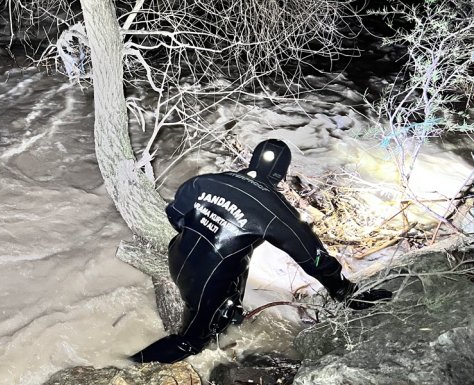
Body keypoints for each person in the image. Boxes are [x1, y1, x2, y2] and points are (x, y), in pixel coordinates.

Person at [130, 139, 392, 364]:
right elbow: (314, 258)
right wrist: (344, 292)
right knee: (190, 342)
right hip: (208, 283)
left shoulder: (204, 181)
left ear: (253, 161)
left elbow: (175, 215)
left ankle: (227, 314)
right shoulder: (276, 211)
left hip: (177, 257)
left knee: (239, 254)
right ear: (281, 174)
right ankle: (124, 362)